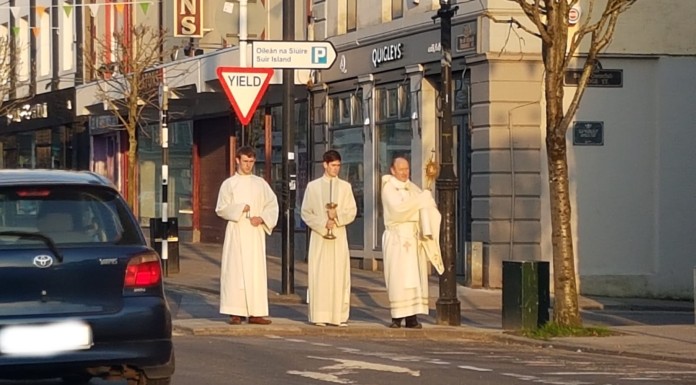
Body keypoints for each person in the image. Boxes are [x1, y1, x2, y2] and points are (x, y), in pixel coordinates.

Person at [215, 146, 279, 325]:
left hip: (254, 233)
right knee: (235, 271)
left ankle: (256, 312)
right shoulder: (229, 184)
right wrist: (238, 208)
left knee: (255, 271)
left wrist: (262, 218)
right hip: (237, 229)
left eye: (251, 162)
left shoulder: (260, 183)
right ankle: (235, 311)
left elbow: (272, 205)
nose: (248, 165)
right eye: (245, 161)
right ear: (237, 160)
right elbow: (221, 208)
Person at [380, 155, 443, 329]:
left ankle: (412, 317)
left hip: (413, 239)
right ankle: (396, 317)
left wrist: (427, 202)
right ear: (393, 170)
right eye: (401, 169)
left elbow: (427, 206)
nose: (404, 172)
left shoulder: (413, 188)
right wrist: (421, 201)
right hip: (397, 239)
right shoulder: (388, 188)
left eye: (406, 169)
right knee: (398, 279)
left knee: (415, 279)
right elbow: (398, 210)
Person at [301, 150, 357, 327]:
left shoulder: (345, 187)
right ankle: (320, 314)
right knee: (320, 274)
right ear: (324, 165)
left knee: (339, 274)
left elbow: (352, 211)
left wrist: (337, 216)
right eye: (333, 165)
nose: (336, 169)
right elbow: (305, 212)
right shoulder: (313, 187)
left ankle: (338, 315)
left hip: (339, 236)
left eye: (338, 166)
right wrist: (323, 223)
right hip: (320, 237)